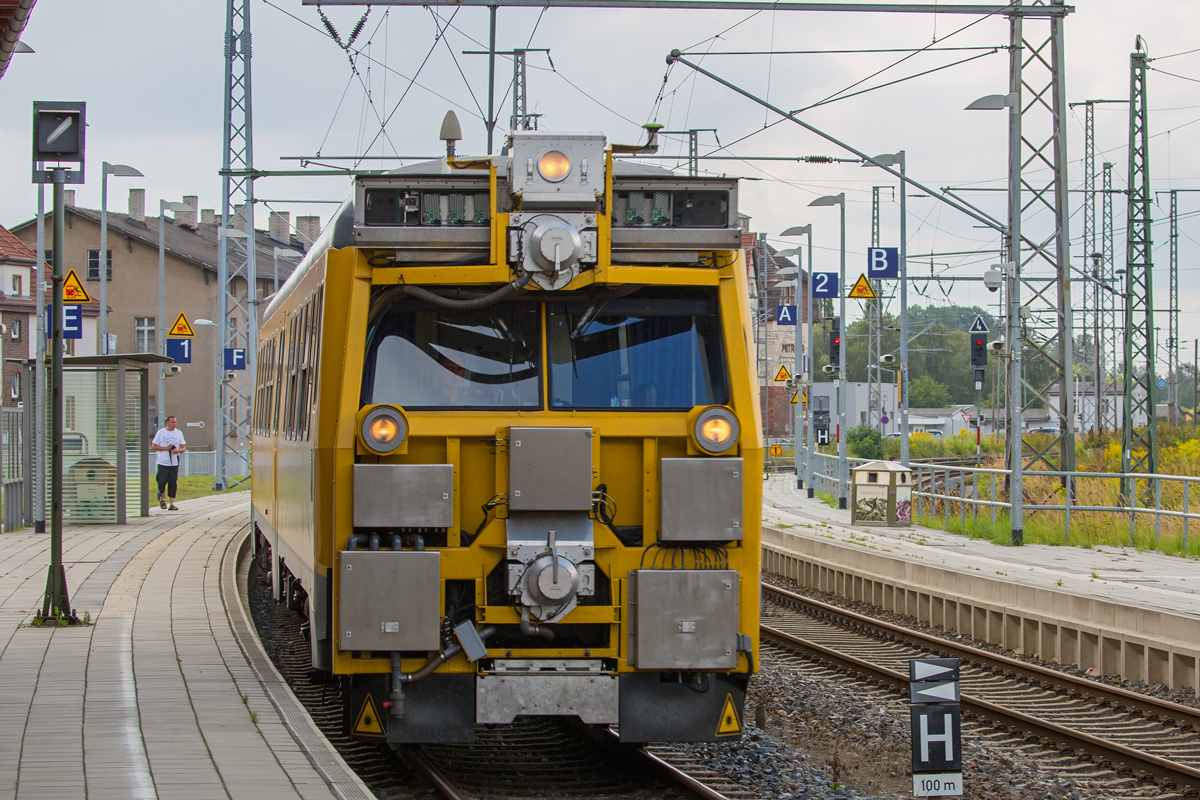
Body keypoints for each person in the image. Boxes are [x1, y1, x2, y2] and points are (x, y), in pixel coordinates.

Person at [152, 415, 187, 510]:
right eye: (172, 422)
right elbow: (154, 446)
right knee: (162, 481)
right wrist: (165, 449)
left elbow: (183, 448)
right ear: (167, 423)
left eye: (175, 422)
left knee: (173, 483)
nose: (174, 424)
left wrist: (178, 451)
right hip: (163, 462)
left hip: (174, 463)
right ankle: (161, 499)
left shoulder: (179, 433)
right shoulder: (161, 433)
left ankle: (171, 503)